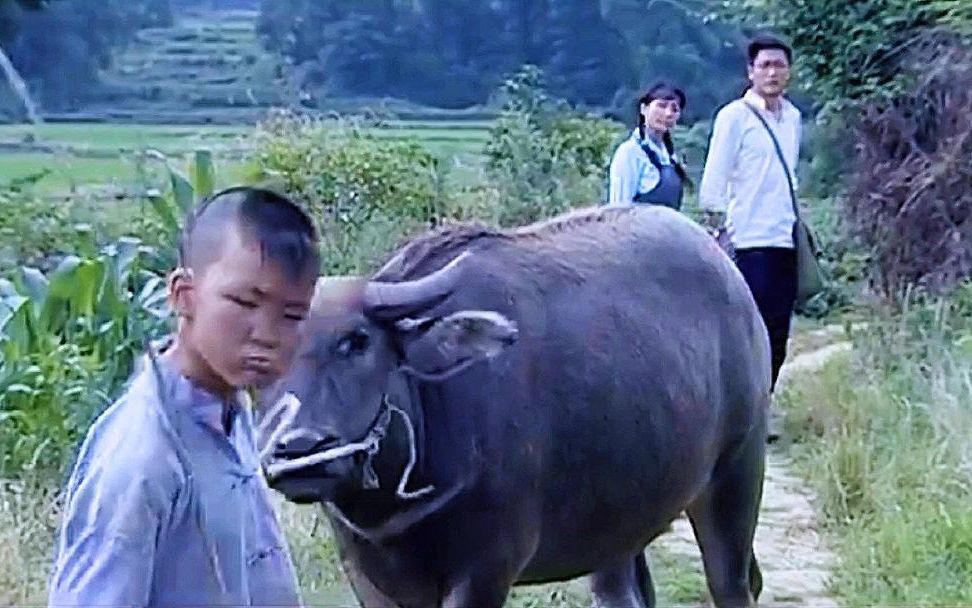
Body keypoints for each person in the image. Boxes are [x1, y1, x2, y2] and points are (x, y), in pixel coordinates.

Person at [48, 186, 320, 607]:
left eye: (292, 316)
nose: (267, 334)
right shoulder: (144, 459)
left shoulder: (231, 409)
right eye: (245, 302)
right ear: (182, 295)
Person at [699, 35, 802, 397]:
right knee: (747, 331)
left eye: (779, 65)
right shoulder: (734, 117)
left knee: (778, 330)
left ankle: (764, 405)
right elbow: (713, 181)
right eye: (765, 66)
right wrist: (719, 231)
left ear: (789, 72)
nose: (772, 73)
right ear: (751, 72)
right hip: (747, 240)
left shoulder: (793, 118)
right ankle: (744, 410)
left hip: (783, 238)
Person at [607, 82, 691, 209]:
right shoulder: (630, 153)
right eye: (661, 106)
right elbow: (618, 210)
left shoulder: (671, 157)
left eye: (675, 109)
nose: (668, 114)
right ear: (644, 109)